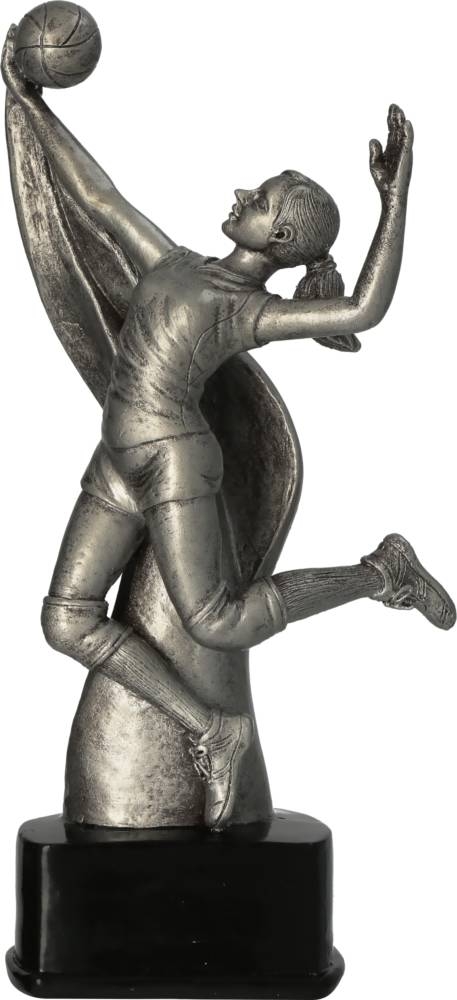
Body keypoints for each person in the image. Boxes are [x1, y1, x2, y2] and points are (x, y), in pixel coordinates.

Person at [3, 28, 455, 829]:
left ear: (278, 242)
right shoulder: (175, 262)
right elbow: (100, 202)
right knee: (65, 619)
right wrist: (31, 108)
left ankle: (380, 573)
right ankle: (210, 727)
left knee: (218, 620)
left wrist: (394, 202)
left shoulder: (247, 310)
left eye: (262, 200)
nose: (244, 193)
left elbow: (361, 311)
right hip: (116, 460)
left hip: (175, 465)